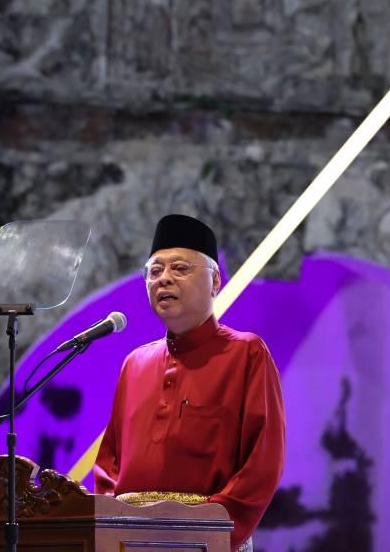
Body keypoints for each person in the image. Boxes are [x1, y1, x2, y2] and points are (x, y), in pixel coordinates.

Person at [94, 215, 285, 552]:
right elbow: (108, 464)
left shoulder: (247, 353)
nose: (164, 279)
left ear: (215, 282)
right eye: (154, 272)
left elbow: (263, 462)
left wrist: (210, 532)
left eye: (180, 268)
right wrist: (111, 528)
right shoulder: (134, 363)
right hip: (129, 541)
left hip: (207, 540)